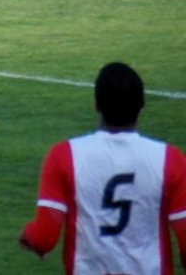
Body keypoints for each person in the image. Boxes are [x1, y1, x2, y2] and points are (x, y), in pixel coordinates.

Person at [20, 61, 186, 274]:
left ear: (96, 104)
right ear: (142, 104)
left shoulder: (64, 155)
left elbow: (44, 236)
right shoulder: (170, 159)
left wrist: (29, 236)